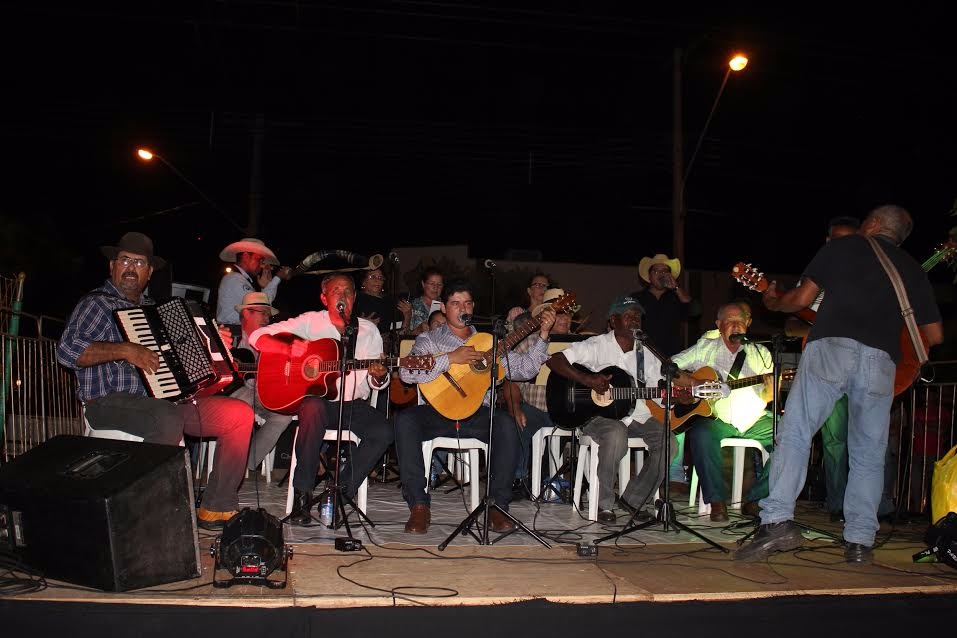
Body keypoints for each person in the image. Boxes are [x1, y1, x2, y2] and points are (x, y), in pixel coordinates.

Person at [735, 204, 943, 563]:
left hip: (832, 347)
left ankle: (777, 523)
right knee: (868, 452)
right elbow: (935, 335)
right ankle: (860, 542)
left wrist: (772, 298)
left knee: (797, 432)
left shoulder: (842, 247)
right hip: (882, 361)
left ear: (873, 224)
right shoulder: (910, 269)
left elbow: (799, 300)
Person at [56, 232, 254, 529]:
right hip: (108, 402)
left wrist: (214, 344)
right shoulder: (97, 305)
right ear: (112, 266)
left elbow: (190, 366)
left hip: (165, 402)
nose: (131, 267)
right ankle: (144, 512)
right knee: (166, 415)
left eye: (140, 262)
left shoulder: (158, 312)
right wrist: (125, 349)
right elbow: (67, 351)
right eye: (125, 260)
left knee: (239, 415)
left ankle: (217, 507)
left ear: (149, 272)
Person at [395, 279, 557, 534]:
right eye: (456, 303)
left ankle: (496, 506)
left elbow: (526, 369)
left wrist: (544, 334)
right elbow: (407, 372)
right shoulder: (429, 339)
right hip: (436, 412)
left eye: (468, 303)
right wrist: (450, 358)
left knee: (506, 423)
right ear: (445, 308)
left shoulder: (489, 342)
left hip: (476, 414)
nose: (463, 308)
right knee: (405, 421)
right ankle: (418, 505)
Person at [249, 272, 395, 525]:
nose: (343, 296)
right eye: (336, 291)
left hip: (352, 405)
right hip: (318, 405)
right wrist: (286, 349)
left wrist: (380, 376)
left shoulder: (369, 330)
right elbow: (257, 337)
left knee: (384, 430)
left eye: (348, 291)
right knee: (313, 405)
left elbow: (374, 383)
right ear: (324, 297)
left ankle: (339, 493)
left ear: (355, 297)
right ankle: (302, 493)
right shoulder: (310, 322)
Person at [546, 296, 677, 524]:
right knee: (616, 433)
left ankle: (634, 500)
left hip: (637, 414)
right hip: (598, 416)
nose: (634, 321)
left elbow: (660, 393)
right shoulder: (596, 345)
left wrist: (674, 396)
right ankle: (605, 504)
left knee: (669, 442)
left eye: (638, 317)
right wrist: (587, 380)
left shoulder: (647, 353)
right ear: (613, 321)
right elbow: (554, 361)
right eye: (628, 317)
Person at [671, 302, 775, 523]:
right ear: (719, 325)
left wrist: (769, 390)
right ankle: (716, 501)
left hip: (755, 420)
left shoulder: (761, 352)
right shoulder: (704, 348)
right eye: (729, 321)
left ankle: (756, 499)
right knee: (700, 433)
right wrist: (694, 382)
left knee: (790, 435)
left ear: (748, 324)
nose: (735, 326)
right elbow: (669, 367)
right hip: (717, 419)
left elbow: (768, 398)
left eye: (740, 321)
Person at [634, 253, 701, 490]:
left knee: (676, 410)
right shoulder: (637, 298)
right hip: (641, 361)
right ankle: (649, 470)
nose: (662, 275)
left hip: (672, 362)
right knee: (646, 409)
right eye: (657, 271)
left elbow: (694, 311)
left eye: (666, 271)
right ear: (648, 276)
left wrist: (678, 289)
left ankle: (673, 473)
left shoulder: (676, 298)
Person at [503, 288, 577, 493]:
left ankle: (573, 483)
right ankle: (519, 479)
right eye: (559, 313)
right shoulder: (528, 342)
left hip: (570, 411)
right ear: (546, 317)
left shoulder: (581, 345)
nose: (564, 319)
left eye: (568, 314)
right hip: (535, 409)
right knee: (517, 421)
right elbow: (510, 381)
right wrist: (515, 407)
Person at [220, 291, 294, 475]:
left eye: (269, 315)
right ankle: (230, 465)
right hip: (227, 392)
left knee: (283, 415)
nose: (267, 319)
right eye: (263, 313)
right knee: (243, 402)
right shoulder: (229, 334)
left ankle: (248, 462)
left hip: (258, 394)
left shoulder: (270, 341)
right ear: (246, 313)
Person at [215, 237, 292, 333]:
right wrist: (278, 278)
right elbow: (260, 306)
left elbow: (263, 306)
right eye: (259, 260)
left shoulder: (241, 279)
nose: (261, 265)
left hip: (237, 333)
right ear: (246, 256)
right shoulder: (234, 278)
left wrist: (265, 288)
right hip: (232, 334)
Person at [353, 266, 413, 351]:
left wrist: (407, 316)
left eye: (380, 278)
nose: (377, 281)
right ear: (363, 281)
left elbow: (401, 335)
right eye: (372, 277)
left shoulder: (390, 301)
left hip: (386, 350)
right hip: (361, 348)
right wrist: (360, 324)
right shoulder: (355, 299)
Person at [408, 267, 444, 335]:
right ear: (423, 284)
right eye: (432, 283)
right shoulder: (412, 306)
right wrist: (419, 329)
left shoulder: (446, 307)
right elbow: (402, 336)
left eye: (439, 284)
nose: (435, 288)